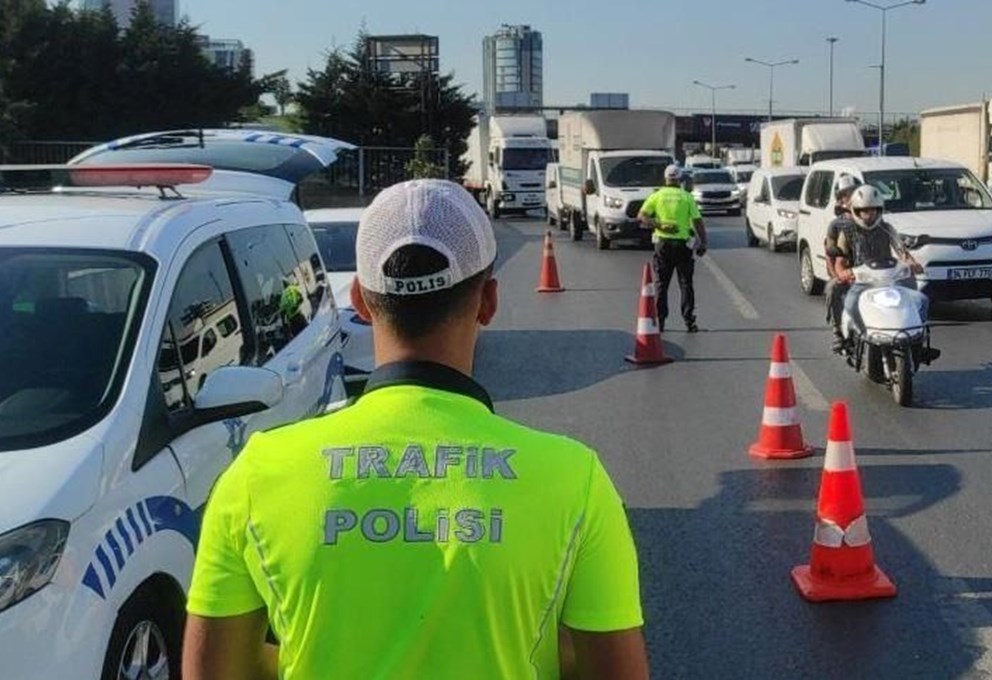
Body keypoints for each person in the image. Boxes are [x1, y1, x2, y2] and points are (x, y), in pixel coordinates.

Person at [183, 179, 649, 680]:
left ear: (360, 300)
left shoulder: (256, 475)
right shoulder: (574, 479)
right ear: (488, 301)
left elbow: (214, 672)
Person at [829, 185, 925, 352]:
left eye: (873, 210)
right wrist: (843, 273)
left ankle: (918, 340)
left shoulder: (887, 229)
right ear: (855, 211)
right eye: (864, 211)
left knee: (921, 300)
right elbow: (840, 261)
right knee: (848, 302)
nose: (869, 215)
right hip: (862, 281)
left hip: (891, 279)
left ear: (879, 210)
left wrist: (912, 264)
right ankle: (846, 334)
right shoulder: (847, 231)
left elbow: (902, 251)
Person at [638, 164, 708, 333]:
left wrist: (659, 224)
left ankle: (660, 322)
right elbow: (698, 222)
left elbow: (641, 216)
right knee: (686, 284)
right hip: (683, 246)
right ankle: (689, 322)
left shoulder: (657, 196)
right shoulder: (686, 197)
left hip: (663, 244)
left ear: (666, 178)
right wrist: (703, 242)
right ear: (680, 179)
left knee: (662, 284)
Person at [825, 174, 860, 352]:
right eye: (846, 194)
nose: (850, 197)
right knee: (833, 288)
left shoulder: (874, 218)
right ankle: (838, 331)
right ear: (840, 199)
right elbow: (831, 256)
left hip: (872, 273)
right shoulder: (836, 226)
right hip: (845, 273)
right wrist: (837, 276)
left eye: (854, 192)